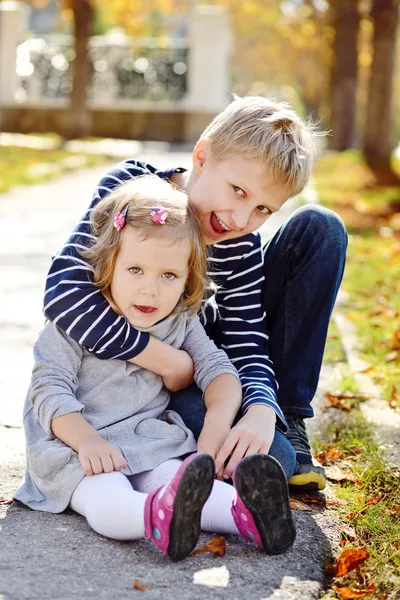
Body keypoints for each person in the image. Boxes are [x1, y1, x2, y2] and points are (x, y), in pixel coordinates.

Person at [42, 96, 348, 492]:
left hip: (202, 368)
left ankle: (284, 418)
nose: (241, 220)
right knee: (269, 460)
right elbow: (63, 292)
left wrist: (259, 410)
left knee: (322, 226)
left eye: (262, 210)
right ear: (202, 157)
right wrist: (167, 361)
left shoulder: (240, 244)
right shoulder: (134, 192)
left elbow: (245, 341)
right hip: (132, 375)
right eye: (238, 190)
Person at [15, 176, 297, 561]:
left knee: (178, 480)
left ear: (187, 279)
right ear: (109, 263)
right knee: (106, 494)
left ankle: (246, 514)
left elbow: (220, 372)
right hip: (77, 449)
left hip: (145, 440)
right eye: (135, 270)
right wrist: (88, 441)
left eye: (168, 276)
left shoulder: (179, 319)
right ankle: (152, 517)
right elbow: (48, 391)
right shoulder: (76, 323)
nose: (151, 290)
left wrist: (215, 425)